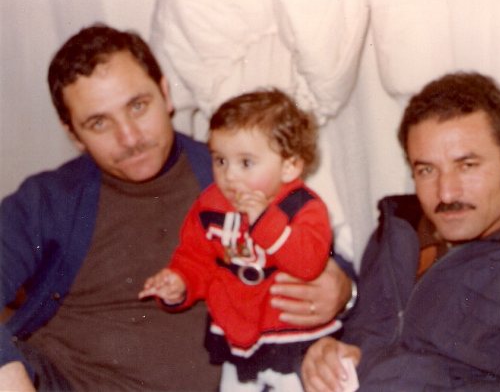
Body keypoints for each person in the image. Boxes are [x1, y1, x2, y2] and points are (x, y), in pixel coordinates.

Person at [0, 24, 354, 391]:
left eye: (138, 106)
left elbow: (317, 247)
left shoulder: (231, 176)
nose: (130, 138)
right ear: (73, 135)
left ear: (166, 95)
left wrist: (344, 290)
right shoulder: (48, 199)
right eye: (99, 123)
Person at [301, 72, 500, 391]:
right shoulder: (397, 233)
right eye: (427, 170)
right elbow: (368, 337)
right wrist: (325, 355)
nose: (447, 193)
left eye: (467, 166)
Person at [140, 89, 342, 391]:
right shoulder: (210, 206)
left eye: (246, 163)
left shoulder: (304, 207)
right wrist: (179, 282)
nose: (229, 176)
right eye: (220, 160)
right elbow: (195, 258)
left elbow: (309, 263)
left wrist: (265, 221)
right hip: (236, 334)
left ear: (290, 166)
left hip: (295, 338)